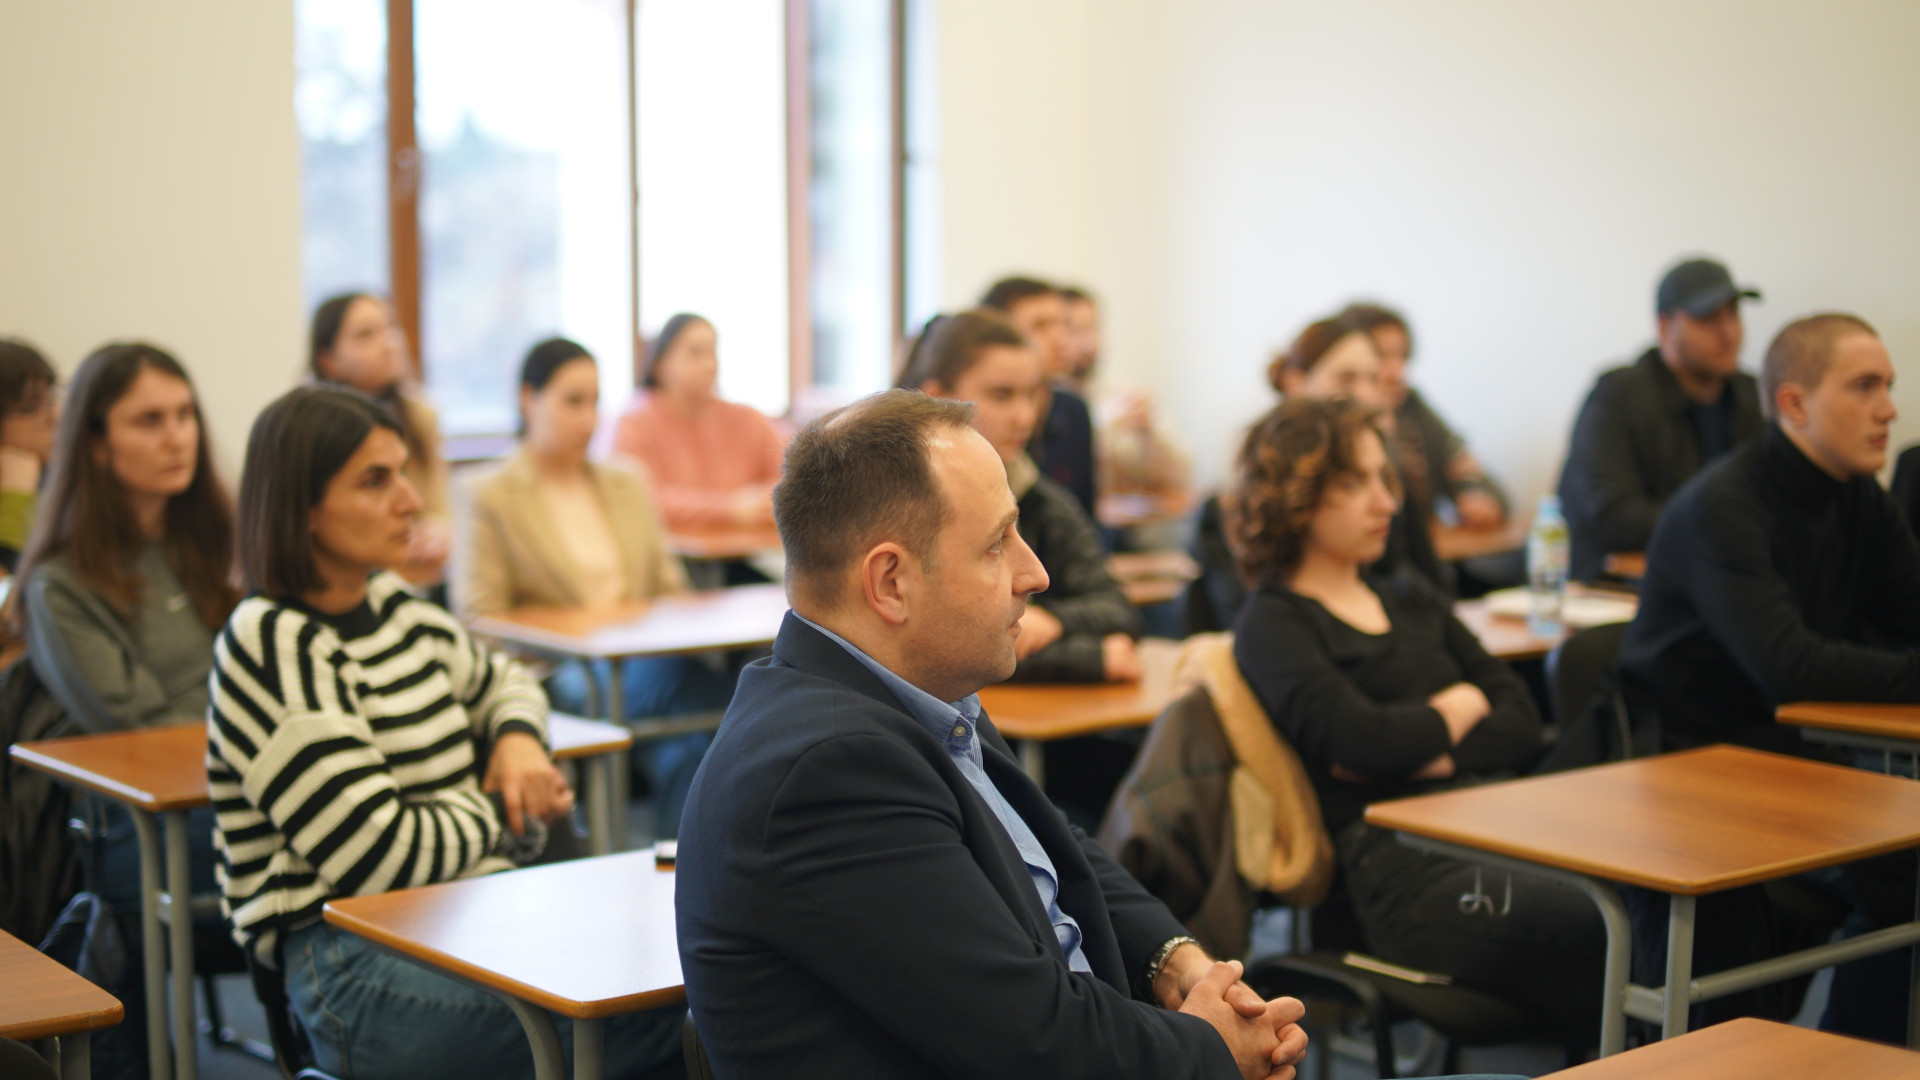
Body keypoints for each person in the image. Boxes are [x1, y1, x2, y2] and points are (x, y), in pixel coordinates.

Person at [675, 388, 1312, 1079]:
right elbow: (1041, 1044)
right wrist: (1215, 1047)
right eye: (996, 544)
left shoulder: (908, 699)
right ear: (890, 582)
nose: (1034, 573)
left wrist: (1174, 962)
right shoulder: (829, 772)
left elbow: (1057, 846)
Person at [207, 386, 682, 1080]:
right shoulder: (270, 642)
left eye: (402, 472)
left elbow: (506, 681)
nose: (410, 500)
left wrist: (517, 742)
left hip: (473, 914)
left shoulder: (391, 603)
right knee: (664, 1026)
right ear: (302, 509)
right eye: (376, 481)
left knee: (694, 984)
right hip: (350, 965)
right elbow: (380, 856)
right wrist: (503, 811)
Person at [1226, 395, 1602, 1039]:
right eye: (1355, 484)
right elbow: (1363, 742)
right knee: (1606, 928)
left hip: (1495, 823)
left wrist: (1419, 741)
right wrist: (1459, 704)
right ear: (1297, 496)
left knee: (1660, 911)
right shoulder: (1275, 622)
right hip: (1401, 871)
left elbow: (1516, 719)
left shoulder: (1409, 596)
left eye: (1385, 478)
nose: (1387, 502)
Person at [1618, 312, 1918, 1041]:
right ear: (1793, 404)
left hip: (1794, 766)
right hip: (1691, 774)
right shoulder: (1726, 506)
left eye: (1889, 386)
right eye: (1865, 386)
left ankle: (1849, 1055)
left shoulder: (1856, 495)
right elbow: (1790, 665)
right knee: (1904, 878)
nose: (1889, 409)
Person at [9, 342, 240, 1078]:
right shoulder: (59, 585)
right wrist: (236, 691)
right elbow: (138, 723)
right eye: (148, 420)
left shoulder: (220, 545)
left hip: (238, 796)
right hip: (140, 831)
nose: (176, 436)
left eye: (183, 415)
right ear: (98, 445)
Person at [456, 336, 734, 838]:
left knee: (687, 750)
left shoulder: (626, 482)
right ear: (528, 399)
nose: (587, 419)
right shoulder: (489, 494)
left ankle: (681, 874)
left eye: (594, 402)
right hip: (562, 669)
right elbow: (479, 620)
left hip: (642, 659)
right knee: (721, 700)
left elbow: (668, 589)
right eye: (571, 401)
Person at [901, 310, 1143, 684]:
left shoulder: (1043, 498)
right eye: (1002, 395)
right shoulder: (898, 503)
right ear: (937, 398)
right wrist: (1093, 658)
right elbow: (933, 647)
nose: (1024, 417)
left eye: (1032, 395)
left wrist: (1054, 619)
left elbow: (1117, 608)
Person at [1190, 316, 1447, 634]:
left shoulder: (1384, 475)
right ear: (1295, 383)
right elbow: (1254, 626)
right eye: (1346, 379)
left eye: (1372, 379)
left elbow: (1434, 587)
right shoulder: (1236, 503)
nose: (1365, 395)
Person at [1557, 258, 1765, 581]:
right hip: (1613, 584)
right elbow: (1613, 516)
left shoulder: (1752, 395)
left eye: (1733, 314)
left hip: (1719, 576)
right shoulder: (1619, 396)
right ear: (1665, 327)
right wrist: (1726, 525)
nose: (1727, 332)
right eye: (1708, 318)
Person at [309, 291, 451, 584]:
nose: (387, 344)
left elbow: (438, 507)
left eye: (390, 328)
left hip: (419, 575)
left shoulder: (420, 414)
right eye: (365, 335)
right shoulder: (311, 430)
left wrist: (437, 532)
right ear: (328, 360)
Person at [610, 313, 787, 532]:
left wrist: (760, 501)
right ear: (660, 364)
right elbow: (643, 498)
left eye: (712, 352)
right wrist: (728, 507)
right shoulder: (634, 423)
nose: (709, 365)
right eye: (695, 353)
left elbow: (792, 477)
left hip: (746, 550)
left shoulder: (746, 418)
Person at [1339, 302, 1508, 530]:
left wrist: (1477, 497)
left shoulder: (1411, 406)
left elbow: (1461, 462)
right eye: (1382, 356)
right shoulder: (1337, 421)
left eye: (1402, 356)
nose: (1397, 370)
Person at [982, 277, 1099, 520]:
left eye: (1065, 324)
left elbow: (1086, 519)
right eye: (1040, 326)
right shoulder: (981, 412)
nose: (1060, 339)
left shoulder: (1073, 410)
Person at [0, 338, 59, 571]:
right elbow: (5, 596)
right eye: (32, 405)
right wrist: (14, 501)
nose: (53, 416)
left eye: (51, 398)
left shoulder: (55, 480)